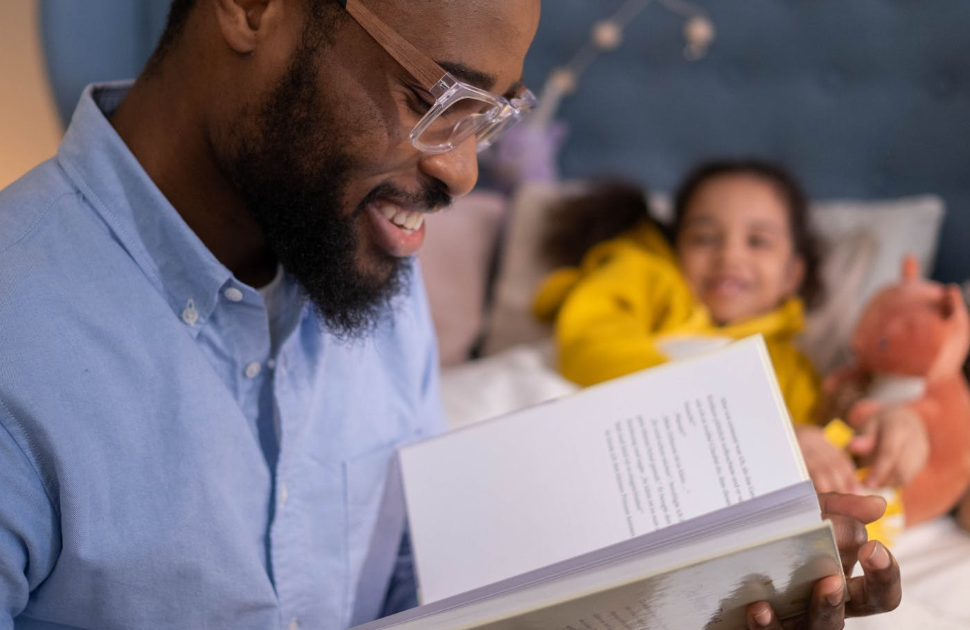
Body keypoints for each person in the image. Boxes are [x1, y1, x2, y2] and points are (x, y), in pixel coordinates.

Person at [0, 1, 899, 628]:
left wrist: (690, 599)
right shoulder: (23, 339)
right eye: (437, 99)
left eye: (492, 118)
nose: (464, 172)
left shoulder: (365, 263)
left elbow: (410, 599)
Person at [535, 160, 927, 523]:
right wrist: (759, 425)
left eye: (757, 241)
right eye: (704, 238)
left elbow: (820, 450)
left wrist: (885, 429)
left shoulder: (790, 366)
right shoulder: (645, 279)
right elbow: (591, 345)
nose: (729, 256)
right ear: (675, 250)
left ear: (792, 274)